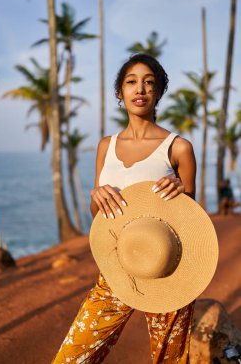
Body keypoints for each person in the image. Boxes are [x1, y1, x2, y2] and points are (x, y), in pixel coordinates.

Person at [51, 53, 197, 364]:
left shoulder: (178, 148)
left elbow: (192, 221)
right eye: (131, 82)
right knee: (72, 357)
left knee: (168, 360)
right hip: (117, 270)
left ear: (158, 93)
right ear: (120, 92)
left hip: (169, 273)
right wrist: (97, 194)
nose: (140, 89)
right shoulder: (106, 146)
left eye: (149, 83)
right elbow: (97, 214)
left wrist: (183, 190)